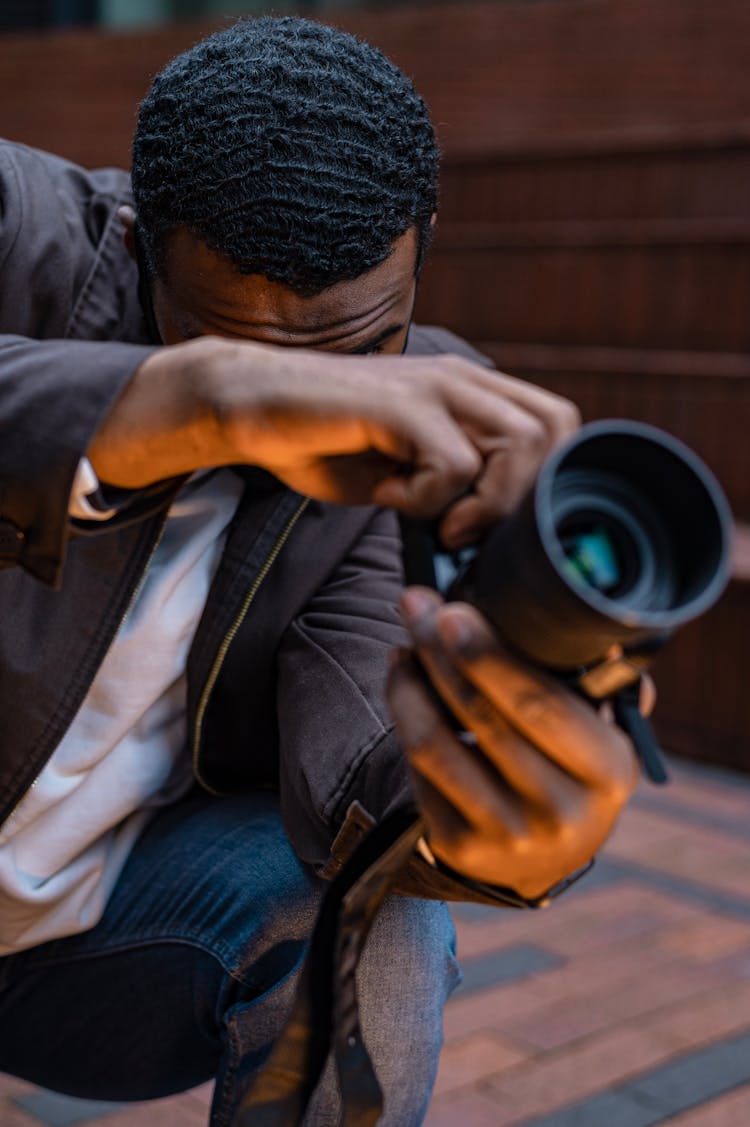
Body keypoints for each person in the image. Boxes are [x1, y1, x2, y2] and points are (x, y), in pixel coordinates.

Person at [0, 16, 639, 1127]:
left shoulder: (424, 432)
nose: (306, 416)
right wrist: (201, 400)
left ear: (420, 248)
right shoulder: (22, 230)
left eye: (357, 352)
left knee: (378, 913)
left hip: (80, 956)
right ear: (143, 244)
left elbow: (367, 755)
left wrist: (490, 824)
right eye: (239, 348)